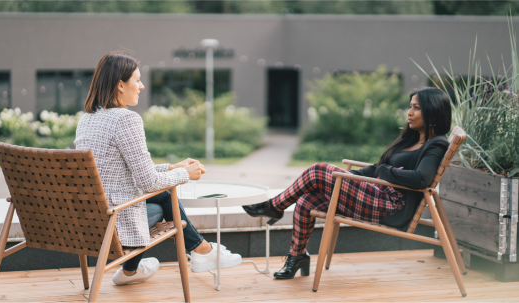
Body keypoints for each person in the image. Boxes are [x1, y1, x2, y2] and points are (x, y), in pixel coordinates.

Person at [243, 87, 451, 279]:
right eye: (410, 107)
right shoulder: (411, 139)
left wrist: (387, 172)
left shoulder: (436, 145)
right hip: (376, 195)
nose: (409, 112)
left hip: (392, 206)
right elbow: (377, 168)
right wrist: (351, 178)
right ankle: (297, 256)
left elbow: (421, 179)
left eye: (416, 108)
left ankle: (275, 207)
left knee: (318, 169)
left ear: (432, 111)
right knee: (307, 201)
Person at [74, 51, 242, 286]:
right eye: (137, 80)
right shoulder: (125, 119)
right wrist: (184, 174)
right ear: (121, 85)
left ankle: (189, 254)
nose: (141, 86)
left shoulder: (88, 119)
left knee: (162, 194)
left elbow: (122, 170)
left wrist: (172, 167)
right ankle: (198, 252)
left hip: (88, 219)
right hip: (113, 224)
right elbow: (148, 183)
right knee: (165, 196)